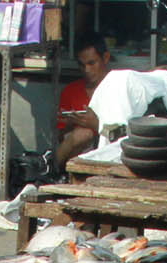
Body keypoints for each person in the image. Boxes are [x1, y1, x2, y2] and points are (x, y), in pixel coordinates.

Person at [52, 29, 112, 172]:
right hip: (75, 155)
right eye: (82, 65)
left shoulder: (117, 87)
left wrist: (96, 125)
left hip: (110, 150)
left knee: (86, 133)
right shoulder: (70, 91)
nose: (87, 70)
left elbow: (126, 134)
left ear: (106, 58)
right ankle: (52, 171)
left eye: (92, 63)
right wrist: (70, 123)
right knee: (82, 134)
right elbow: (61, 137)